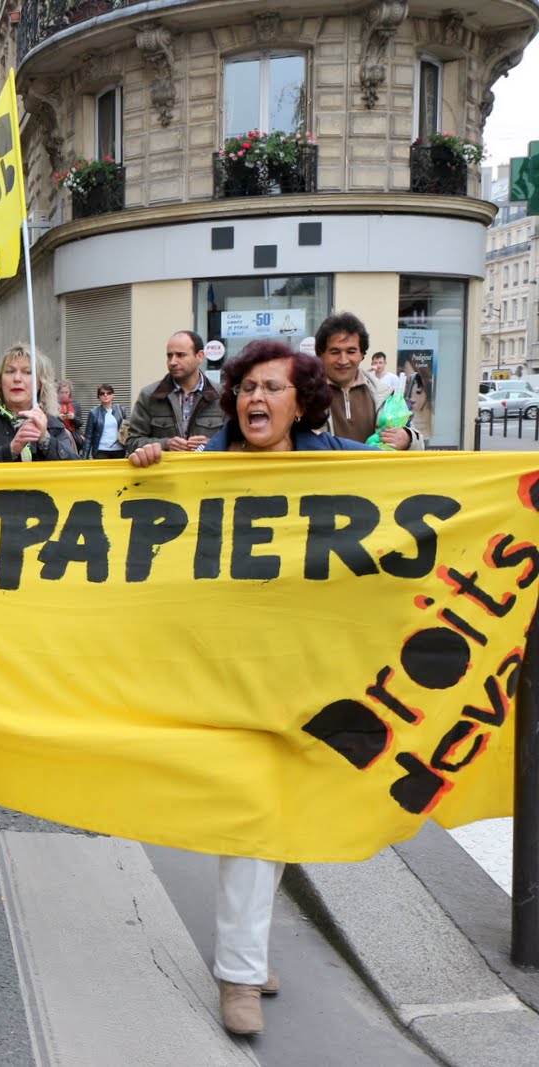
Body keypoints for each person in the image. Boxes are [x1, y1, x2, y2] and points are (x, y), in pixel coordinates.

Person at [130, 341, 372, 1035]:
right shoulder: (199, 465)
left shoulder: (342, 463)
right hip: (227, 673)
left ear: (302, 404)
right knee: (253, 810)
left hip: (309, 672)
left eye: (272, 388)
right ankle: (239, 972)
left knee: (284, 812)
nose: (256, 399)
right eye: (246, 388)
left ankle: (249, 945)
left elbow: (420, 487)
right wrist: (147, 466)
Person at [316, 313, 422, 449]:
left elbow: (419, 444)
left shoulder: (384, 394)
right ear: (321, 354)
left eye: (351, 351)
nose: (343, 360)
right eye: (335, 351)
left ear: (362, 354)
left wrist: (408, 439)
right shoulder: (306, 395)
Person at [0, 344, 79, 463]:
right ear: (0, 381)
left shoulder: (54, 425)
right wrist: (12, 449)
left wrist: (46, 440)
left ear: (39, 383)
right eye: (10, 371)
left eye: (27, 372)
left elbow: (75, 469)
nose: (17, 378)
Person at [124, 330, 224, 455]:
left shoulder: (222, 396)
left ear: (200, 356)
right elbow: (132, 443)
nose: (173, 362)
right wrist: (165, 444)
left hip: (205, 467)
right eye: (169, 356)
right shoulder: (149, 395)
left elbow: (238, 444)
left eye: (180, 355)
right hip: (165, 468)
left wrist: (212, 444)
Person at [80, 384, 127, 459]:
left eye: (108, 393)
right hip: (101, 451)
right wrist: (85, 457)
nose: (105, 395)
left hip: (119, 450)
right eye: (102, 393)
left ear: (113, 395)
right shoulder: (93, 413)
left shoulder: (121, 410)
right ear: (98, 397)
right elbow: (88, 437)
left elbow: (125, 431)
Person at [55, 382, 85, 453]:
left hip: (73, 436)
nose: (64, 395)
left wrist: (73, 417)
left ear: (69, 393)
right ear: (58, 393)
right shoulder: (53, 405)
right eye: (62, 392)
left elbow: (80, 423)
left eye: (66, 392)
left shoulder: (75, 405)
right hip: (59, 436)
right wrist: (59, 418)